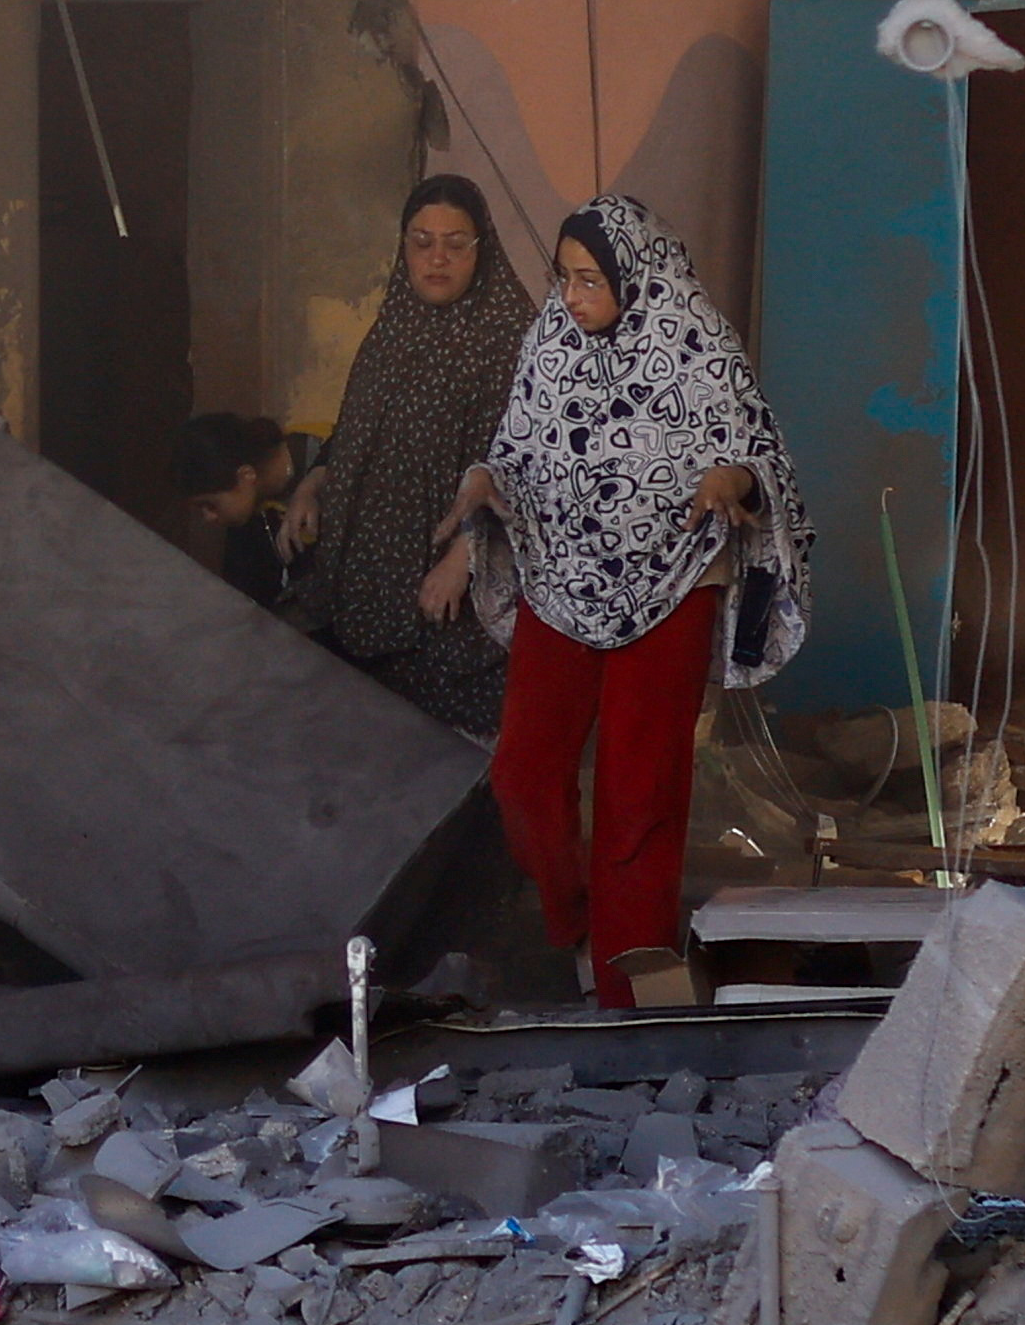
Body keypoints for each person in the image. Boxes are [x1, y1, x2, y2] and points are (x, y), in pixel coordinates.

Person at [441, 195, 810, 1008]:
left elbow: (758, 455)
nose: (572, 297)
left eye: (589, 280)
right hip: (561, 578)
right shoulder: (551, 341)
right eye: (565, 278)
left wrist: (731, 479)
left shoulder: (698, 344)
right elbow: (517, 445)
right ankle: (577, 920)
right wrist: (484, 480)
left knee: (640, 793)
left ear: (634, 277)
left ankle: (627, 981)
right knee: (523, 774)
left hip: (674, 583)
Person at [285, 175, 532, 734]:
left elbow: (522, 465)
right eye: (421, 242)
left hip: (444, 587)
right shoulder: (395, 322)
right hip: (369, 571)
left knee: (435, 748)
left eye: (455, 243)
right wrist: (315, 482)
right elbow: (357, 427)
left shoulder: (510, 337)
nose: (437, 259)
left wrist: (464, 559)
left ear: (482, 247)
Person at [174, 413, 299, 610]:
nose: (208, 518)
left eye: (210, 505)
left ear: (246, 476)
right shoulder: (247, 524)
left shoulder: (320, 467)